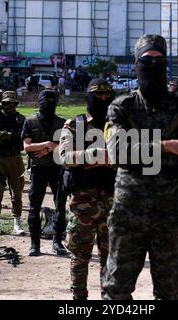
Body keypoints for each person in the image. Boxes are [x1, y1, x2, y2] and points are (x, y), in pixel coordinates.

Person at [101, 35, 178, 300]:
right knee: (116, 290)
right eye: (146, 59)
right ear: (136, 64)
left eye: (158, 59)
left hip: (168, 215)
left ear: (166, 63)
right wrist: (166, 146)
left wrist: (139, 149)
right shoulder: (122, 107)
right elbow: (118, 153)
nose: (152, 65)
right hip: (127, 214)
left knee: (169, 291)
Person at [59, 79, 116, 300]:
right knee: (80, 255)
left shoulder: (120, 126)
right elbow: (63, 157)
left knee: (111, 257)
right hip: (83, 202)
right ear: (89, 97)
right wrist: (94, 156)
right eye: (97, 95)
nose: (103, 99)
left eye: (107, 95)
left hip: (113, 201)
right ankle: (79, 298)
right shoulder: (75, 125)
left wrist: (109, 159)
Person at [21, 89, 68, 257]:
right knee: (34, 207)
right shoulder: (30, 122)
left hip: (58, 170)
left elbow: (65, 147)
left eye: (52, 99)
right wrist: (49, 144)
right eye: (45, 99)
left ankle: (57, 241)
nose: (48, 102)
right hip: (38, 169)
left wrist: (46, 148)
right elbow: (26, 147)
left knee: (60, 206)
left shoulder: (63, 123)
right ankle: (35, 244)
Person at [0, 91, 26, 236]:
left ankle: (17, 223)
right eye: (7, 103)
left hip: (16, 159)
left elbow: (26, 135)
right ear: (2, 103)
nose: (10, 105)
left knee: (17, 193)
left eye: (12, 103)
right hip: (0, 159)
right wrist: (10, 135)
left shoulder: (20, 119)